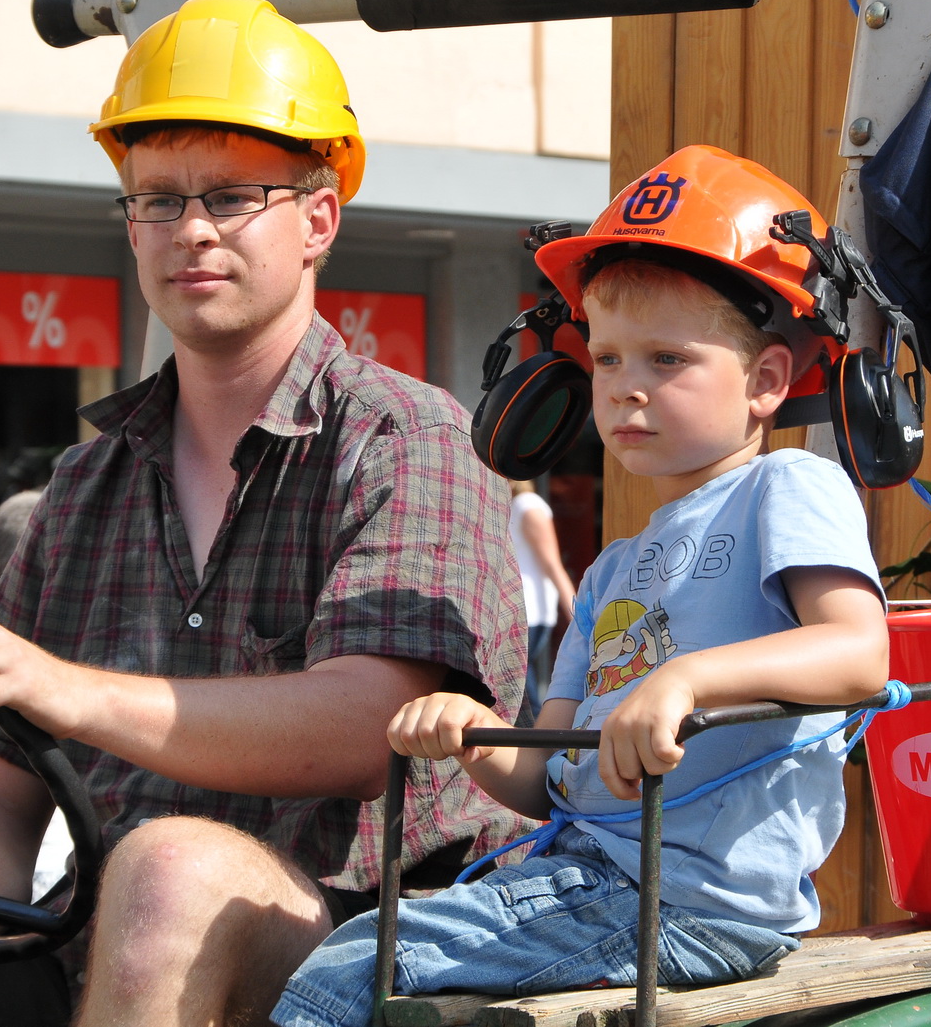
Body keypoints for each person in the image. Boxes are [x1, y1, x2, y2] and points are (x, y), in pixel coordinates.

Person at [0, 0, 530, 1026]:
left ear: (319, 218)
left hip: (356, 952)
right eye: (158, 199)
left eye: (233, 195)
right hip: (99, 940)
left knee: (165, 870)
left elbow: (363, 727)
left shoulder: (403, 436)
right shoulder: (85, 484)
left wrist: (62, 687)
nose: (190, 229)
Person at [273, 146, 890, 1027]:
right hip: (590, 878)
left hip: (690, 902)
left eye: (667, 360)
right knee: (362, 951)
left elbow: (860, 652)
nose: (627, 390)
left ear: (764, 381)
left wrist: (681, 680)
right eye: (606, 360)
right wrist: (469, 737)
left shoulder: (785, 487)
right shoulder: (611, 568)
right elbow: (547, 776)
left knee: (353, 971)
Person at [507, 479, 575, 716]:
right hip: (520, 612)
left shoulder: (528, 505)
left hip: (528, 613)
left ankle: (537, 747)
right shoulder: (515, 505)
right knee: (521, 690)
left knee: (523, 694)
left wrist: (576, 616)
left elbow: (553, 564)